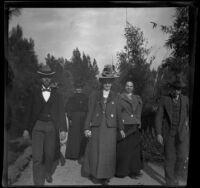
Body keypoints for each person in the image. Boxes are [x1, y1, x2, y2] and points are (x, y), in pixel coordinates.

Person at [22, 65, 67, 185]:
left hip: (51, 127)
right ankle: (38, 182)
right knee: (37, 157)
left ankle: (47, 172)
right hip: (37, 126)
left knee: (49, 154)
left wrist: (63, 129)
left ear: (51, 78)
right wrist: (26, 128)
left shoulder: (57, 94)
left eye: (49, 77)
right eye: (44, 77)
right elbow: (28, 111)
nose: (46, 79)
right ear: (41, 78)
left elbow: (61, 112)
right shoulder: (34, 92)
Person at [82, 65, 122, 185]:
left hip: (110, 128)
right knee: (95, 151)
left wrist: (121, 128)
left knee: (108, 153)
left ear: (112, 82)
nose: (107, 84)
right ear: (102, 82)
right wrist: (86, 128)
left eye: (109, 82)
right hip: (97, 126)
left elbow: (118, 114)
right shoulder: (94, 95)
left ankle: (105, 176)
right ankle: (95, 174)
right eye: (105, 82)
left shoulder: (116, 96)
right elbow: (90, 112)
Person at [155, 77, 189, 185]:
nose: (176, 91)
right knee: (169, 158)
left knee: (183, 156)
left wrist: (187, 122)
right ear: (171, 88)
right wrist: (159, 133)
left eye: (179, 89)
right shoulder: (164, 99)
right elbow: (159, 117)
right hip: (169, 133)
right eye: (175, 88)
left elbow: (187, 113)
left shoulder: (185, 99)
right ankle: (170, 182)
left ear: (181, 90)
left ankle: (176, 176)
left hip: (182, 134)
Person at [115, 80, 143, 179]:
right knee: (123, 150)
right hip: (124, 125)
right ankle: (121, 172)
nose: (129, 87)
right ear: (124, 87)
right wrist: (120, 127)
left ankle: (133, 172)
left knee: (134, 150)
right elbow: (118, 112)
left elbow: (139, 112)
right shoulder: (120, 97)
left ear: (133, 88)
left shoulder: (137, 98)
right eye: (127, 86)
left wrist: (139, 122)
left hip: (134, 126)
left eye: (131, 86)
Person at [65, 82, 88, 163]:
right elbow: (68, 108)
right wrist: (70, 117)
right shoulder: (71, 98)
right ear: (75, 88)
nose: (79, 89)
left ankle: (81, 154)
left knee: (82, 135)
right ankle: (72, 154)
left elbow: (88, 109)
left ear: (82, 88)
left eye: (80, 88)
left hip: (83, 118)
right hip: (74, 118)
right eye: (77, 88)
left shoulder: (86, 98)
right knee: (74, 136)